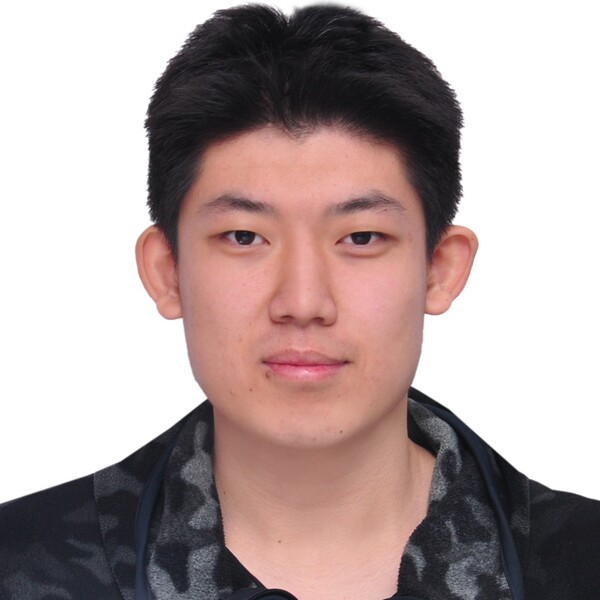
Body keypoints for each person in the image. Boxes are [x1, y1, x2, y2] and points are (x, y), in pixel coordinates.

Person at [1, 4, 599, 599]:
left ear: (440, 269)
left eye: (361, 238)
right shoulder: (21, 567)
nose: (304, 302)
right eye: (244, 237)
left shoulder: (579, 563)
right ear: (168, 272)